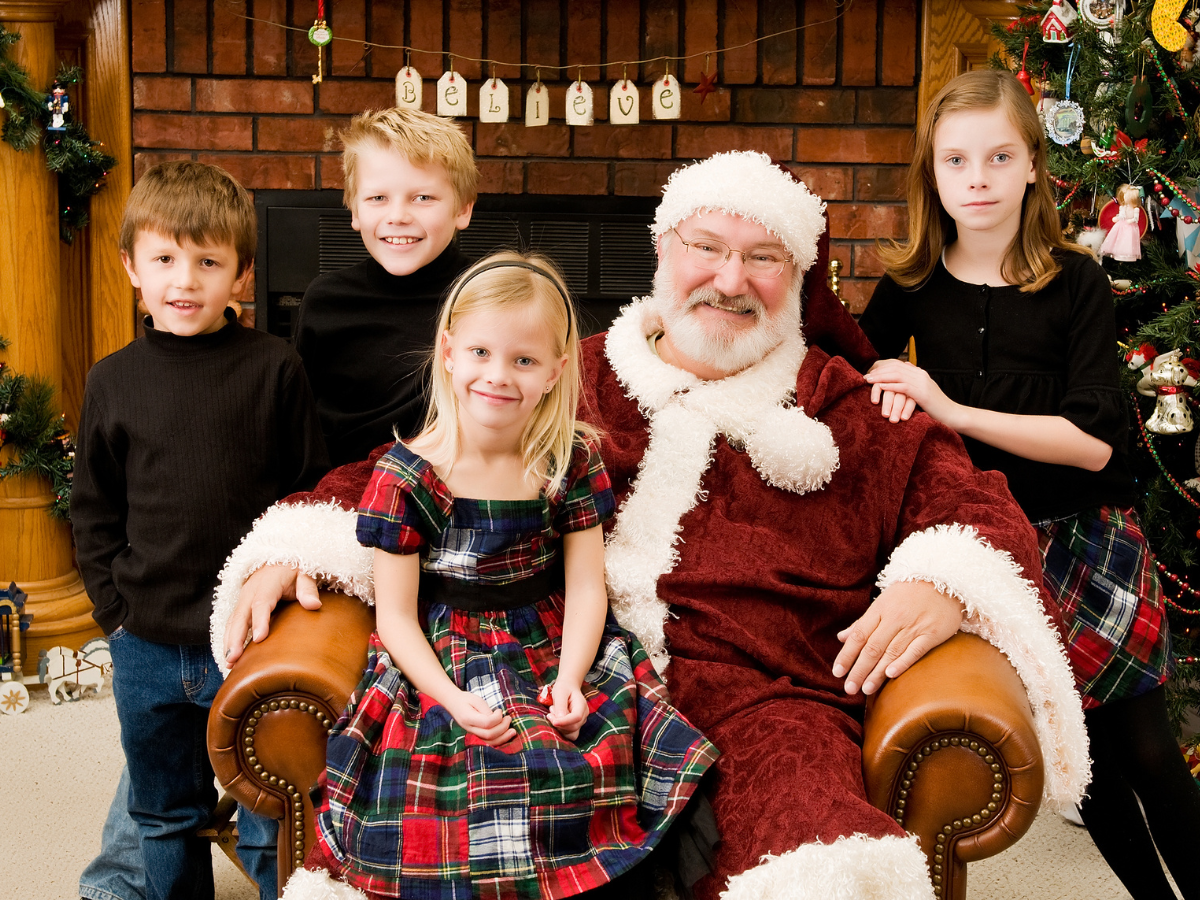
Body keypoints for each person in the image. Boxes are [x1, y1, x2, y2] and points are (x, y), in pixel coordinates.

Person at [213, 151, 1089, 900]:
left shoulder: (849, 407)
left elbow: (972, 504)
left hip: (767, 696)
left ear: (801, 274)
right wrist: (301, 543)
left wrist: (942, 581)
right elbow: (403, 468)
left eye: (763, 258)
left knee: (822, 860)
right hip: (558, 671)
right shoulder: (570, 377)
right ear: (665, 252)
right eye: (706, 248)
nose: (730, 279)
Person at [859, 69, 1200, 900]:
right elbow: (842, 374)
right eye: (956, 161)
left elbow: (1091, 445)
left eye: (999, 156)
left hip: (1088, 538)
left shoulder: (1074, 280)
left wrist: (950, 409)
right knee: (1085, 771)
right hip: (1000, 563)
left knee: (1149, 753)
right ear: (931, 175)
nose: (977, 178)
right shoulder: (910, 286)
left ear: (1033, 168)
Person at [297, 251, 716, 899]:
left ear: (555, 370)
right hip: (442, 652)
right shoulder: (408, 476)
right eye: (482, 353)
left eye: (523, 360)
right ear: (448, 353)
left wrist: (572, 678)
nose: (499, 376)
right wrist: (446, 697)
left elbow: (583, 587)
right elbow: (397, 619)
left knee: (586, 750)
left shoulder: (569, 460)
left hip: (547, 640)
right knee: (479, 772)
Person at [72, 160, 330, 900]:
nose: (184, 280)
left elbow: (306, 494)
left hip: (247, 637)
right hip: (145, 642)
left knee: (269, 811)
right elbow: (93, 508)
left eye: (208, 262)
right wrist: (114, 615)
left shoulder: (275, 368)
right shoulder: (111, 380)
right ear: (131, 268)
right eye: (163, 259)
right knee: (162, 813)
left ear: (242, 274)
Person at [295, 106, 477, 466]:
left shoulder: (486, 295)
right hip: (340, 495)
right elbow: (301, 423)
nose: (398, 216)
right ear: (355, 211)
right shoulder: (325, 302)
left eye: (423, 197)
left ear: (462, 210)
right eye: (378, 198)